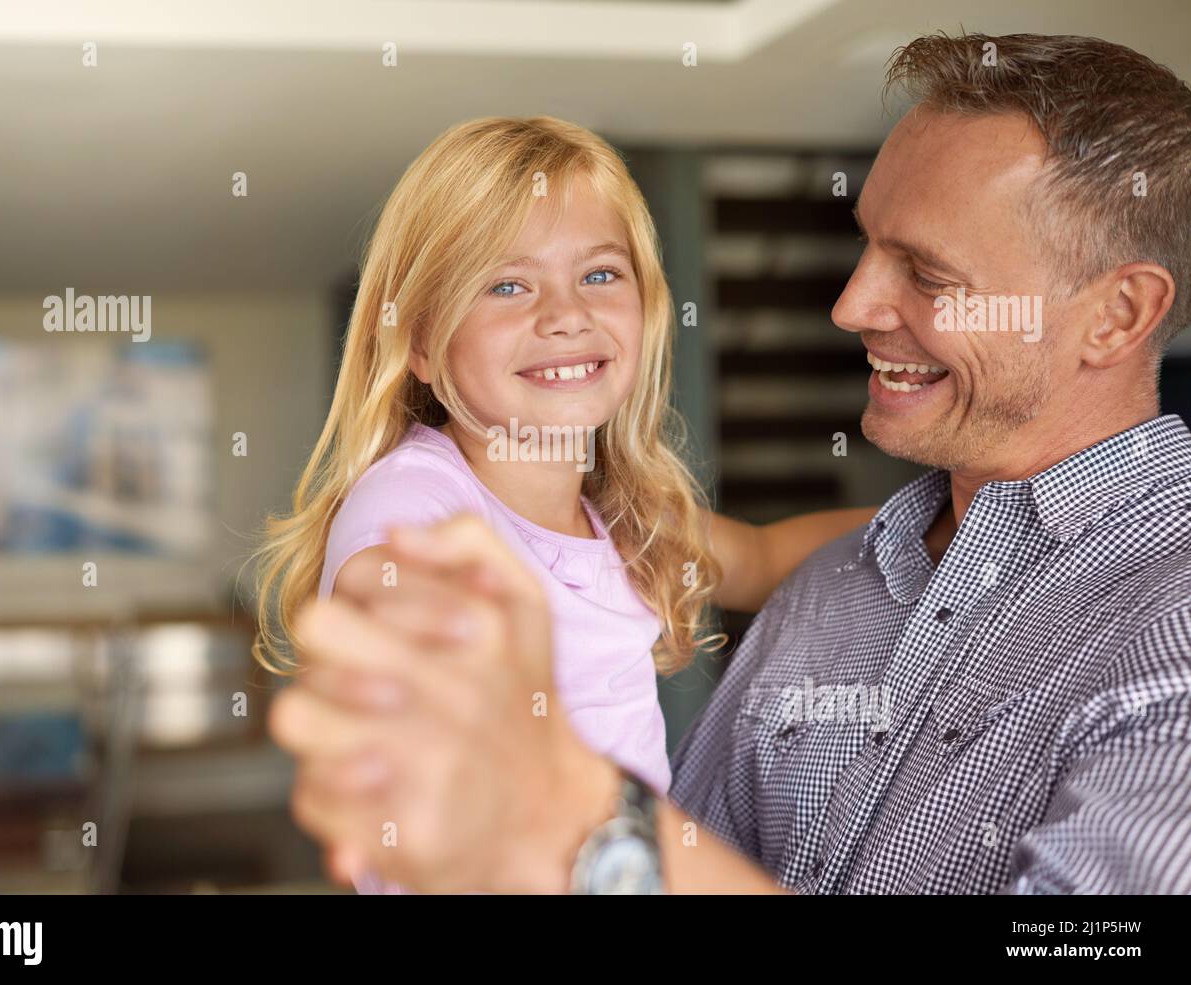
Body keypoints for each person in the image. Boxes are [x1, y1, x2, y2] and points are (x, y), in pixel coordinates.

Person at [270, 32, 1191, 893]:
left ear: (1115, 316)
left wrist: (588, 828)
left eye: (928, 274)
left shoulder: (1167, 635)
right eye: (866, 245)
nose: (850, 303)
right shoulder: (843, 585)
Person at [253, 116, 871, 892]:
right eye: (507, 284)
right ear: (419, 343)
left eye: (601, 275)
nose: (565, 313)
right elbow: (399, 610)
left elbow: (765, 558)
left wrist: (961, 511)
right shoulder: (417, 498)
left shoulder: (620, 517)